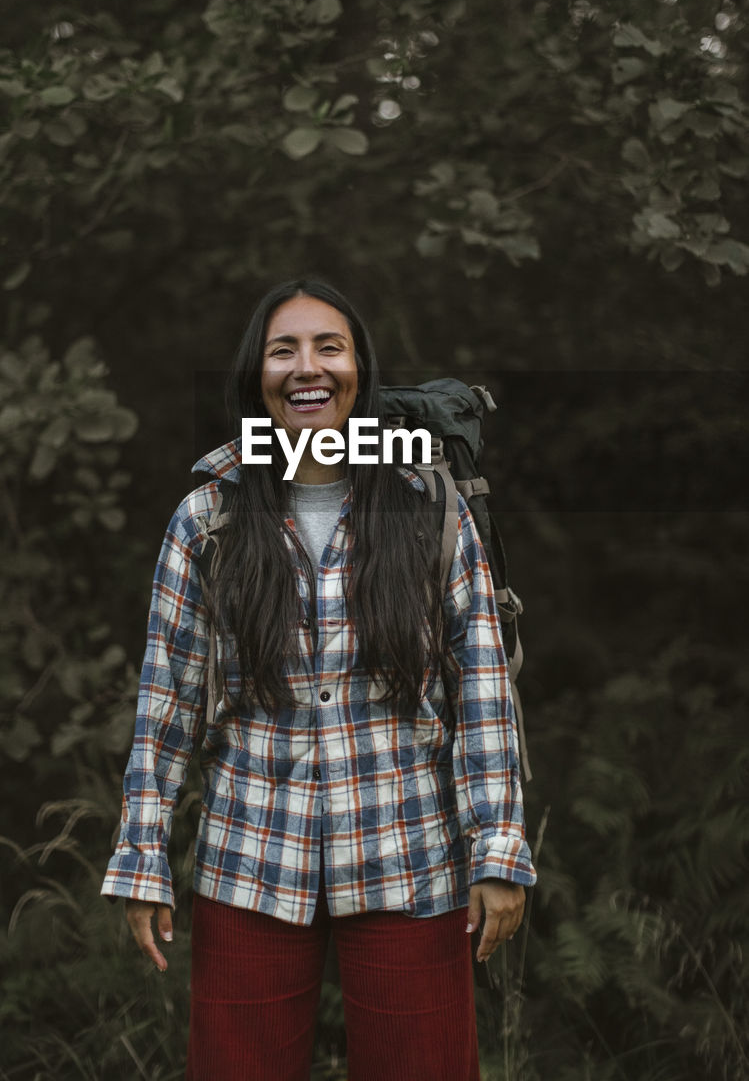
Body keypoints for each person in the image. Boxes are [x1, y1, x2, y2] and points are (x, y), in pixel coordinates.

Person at [101, 278, 536, 1080]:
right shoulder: (208, 516)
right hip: (249, 859)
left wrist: (498, 852)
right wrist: (142, 856)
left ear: (359, 372)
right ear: (256, 377)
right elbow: (165, 704)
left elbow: (480, 692)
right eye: (284, 349)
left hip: (410, 856)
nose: (308, 367)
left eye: (328, 347)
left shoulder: (425, 503)